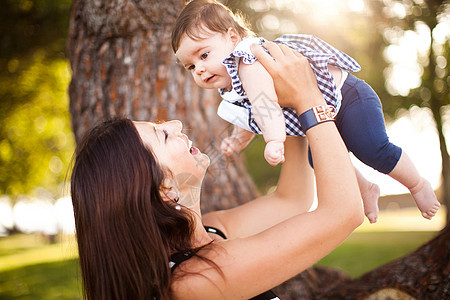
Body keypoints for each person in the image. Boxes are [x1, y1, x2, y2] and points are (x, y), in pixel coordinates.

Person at [70, 41, 364, 299]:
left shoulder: (208, 232)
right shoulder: (195, 282)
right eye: (162, 134)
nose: (174, 124)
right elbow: (343, 213)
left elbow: (292, 200)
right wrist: (307, 97)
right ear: (164, 188)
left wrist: (283, 104)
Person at [171, 0, 440, 223]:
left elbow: (264, 101)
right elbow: (249, 114)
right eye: (191, 67)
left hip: (348, 97)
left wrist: (274, 139)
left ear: (232, 37)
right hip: (321, 114)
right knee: (320, 159)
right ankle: (366, 189)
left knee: (371, 147)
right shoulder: (231, 85)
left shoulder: (246, 58)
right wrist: (238, 139)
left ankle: (417, 184)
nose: (200, 69)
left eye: (203, 55)